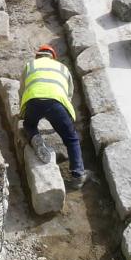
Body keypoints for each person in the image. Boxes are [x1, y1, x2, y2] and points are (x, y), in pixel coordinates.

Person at [19, 44, 88, 189]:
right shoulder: (63, 68)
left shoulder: (30, 66)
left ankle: (35, 137)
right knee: (71, 139)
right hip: (57, 103)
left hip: (33, 100)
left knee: (29, 125)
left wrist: (22, 113)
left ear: (38, 56)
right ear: (53, 57)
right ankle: (77, 175)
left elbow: (22, 90)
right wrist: (63, 119)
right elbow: (69, 95)